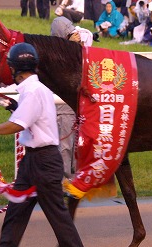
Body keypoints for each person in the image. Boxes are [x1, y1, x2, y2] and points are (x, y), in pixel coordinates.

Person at [0, 43, 90, 247]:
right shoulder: (34, 90)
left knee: (57, 216)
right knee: (15, 213)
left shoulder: (32, 92)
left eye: (10, 67)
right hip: (34, 161)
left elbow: (17, 125)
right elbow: (32, 117)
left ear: (15, 69)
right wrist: (16, 107)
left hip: (43, 162)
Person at [51, 16, 94, 179]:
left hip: (78, 104)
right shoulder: (55, 52)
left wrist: (79, 46)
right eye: (70, 33)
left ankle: (77, 178)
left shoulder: (75, 48)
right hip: (63, 107)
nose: (75, 34)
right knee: (65, 147)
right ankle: (63, 182)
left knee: (78, 144)